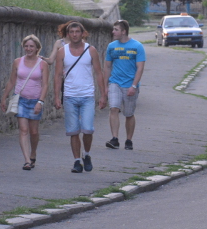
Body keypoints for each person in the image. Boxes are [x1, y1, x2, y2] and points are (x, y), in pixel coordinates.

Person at [53, 21, 107, 173]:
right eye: (72, 32)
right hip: (70, 96)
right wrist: (57, 96)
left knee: (88, 129)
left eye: (78, 32)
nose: (75, 35)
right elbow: (57, 75)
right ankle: (77, 161)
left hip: (87, 96)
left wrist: (103, 95)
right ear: (68, 34)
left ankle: (87, 154)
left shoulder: (91, 50)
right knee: (73, 130)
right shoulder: (62, 51)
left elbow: (98, 73)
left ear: (83, 33)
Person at [0, 35, 50, 170]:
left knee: (34, 131)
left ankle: (33, 152)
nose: (28, 49)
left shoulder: (42, 64)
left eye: (31, 46)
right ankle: (27, 160)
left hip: (35, 101)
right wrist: (4, 97)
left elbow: (45, 85)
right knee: (23, 130)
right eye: (26, 46)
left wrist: (41, 101)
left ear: (37, 48)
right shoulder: (18, 62)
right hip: (20, 99)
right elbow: (12, 81)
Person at [104, 20, 146, 151]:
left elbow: (140, 68)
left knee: (128, 114)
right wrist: (105, 86)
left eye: (116, 29)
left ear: (123, 31)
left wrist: (133, 86)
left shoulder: (137, 46)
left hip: (129, 84)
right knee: (114, 108)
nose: (113, 32)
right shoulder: (111, 46)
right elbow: (107, 66)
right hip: (115, 82)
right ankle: (115, 139)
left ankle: (129, 140)